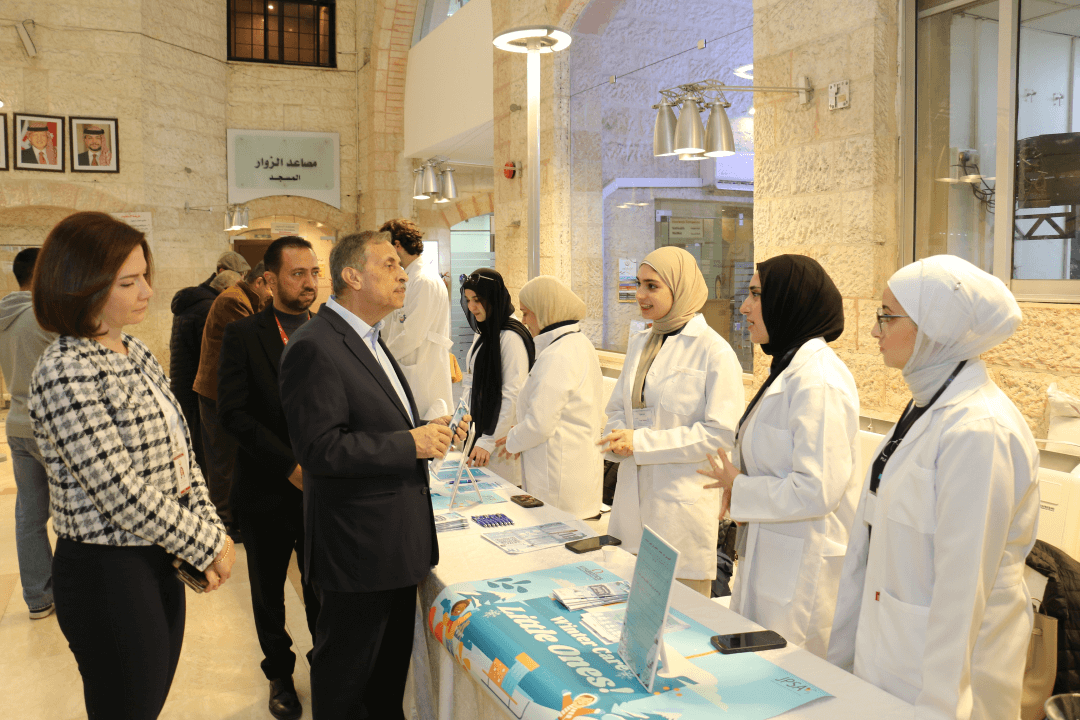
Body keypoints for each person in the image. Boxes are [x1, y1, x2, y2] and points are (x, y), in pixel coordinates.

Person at [27, 212, 235, 720]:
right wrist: (208, 543)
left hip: (157, 553)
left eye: (145, 275)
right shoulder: (65, 369)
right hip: (106, 569)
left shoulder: (135, 350)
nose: (147, 291)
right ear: (82, 286)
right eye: (128, 282)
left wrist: (209, 526)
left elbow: (181, 452)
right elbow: (118, 491)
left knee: (149, 698)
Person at [827, 255, 1040, 719]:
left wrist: (941, 707)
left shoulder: (980, 430)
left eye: (887, 316)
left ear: (933, 326)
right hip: (897, 644)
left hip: (951, 672)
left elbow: (963, 590)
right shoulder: (925, 406)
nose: (875, 330)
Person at [278, 230, 465, 720]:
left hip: (393, 546)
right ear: (352, 276)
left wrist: (426, 428)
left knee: (385, 687)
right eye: (389, 265)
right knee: (347, 685)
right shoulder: (316, 346)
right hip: (357, 550)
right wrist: (410, 443)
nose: (403, 274)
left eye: (400, 265)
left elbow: (376, 423)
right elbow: (320, 449)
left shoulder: (371, 339)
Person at [697, 255, 860, 656]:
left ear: (790, 301)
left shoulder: (818, 382)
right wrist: (741, 491)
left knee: (792, 674)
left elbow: (817, 491)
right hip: (773, 555)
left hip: (803, 571)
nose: (744, 307)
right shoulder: (788, 369)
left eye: (756, 294)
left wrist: (741, 487)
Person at [600, 246, 743, 596]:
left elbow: (720, 433)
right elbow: (618, 408)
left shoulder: (714, 351)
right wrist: (617, 437)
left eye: (652, 286)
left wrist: (641, 442)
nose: (640, 295)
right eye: (639, 284)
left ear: (680, 289)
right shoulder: (640, 343)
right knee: (627, 605)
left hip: (680, 511)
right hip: (631, 501)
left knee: (681, 614)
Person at [217, 237, 321, 720]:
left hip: (321, 487)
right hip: (266, 486)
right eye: (298, 274)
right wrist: (288, 465)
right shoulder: (244, 334)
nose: (309, 282)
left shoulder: (327, 330)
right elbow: (234, 414)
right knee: (268, 591)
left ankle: (325, 659)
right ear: (270, 280)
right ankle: (279, 673)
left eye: (314, 273)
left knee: (322, 583)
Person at [494, 275, 604, 519]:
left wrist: (513, 439)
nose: (524, 321)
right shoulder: (576, 343)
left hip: (559, 479)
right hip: (573, 471)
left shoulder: (558, 354)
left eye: (526, 313)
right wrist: (520, 432)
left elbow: (540, 425)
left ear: (544, 311)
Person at [0, 248, 58, 619]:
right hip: (51, 426)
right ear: (39, 273)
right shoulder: (45, 316)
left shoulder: (5, 315)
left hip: (17, 424)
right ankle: (75, 591)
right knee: (72, 512)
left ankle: (38, 598)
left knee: (29, 516)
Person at [193, 261, 270, 538]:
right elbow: (255, 339)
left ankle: (233, 517)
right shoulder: (233, 300)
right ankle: (221, 523)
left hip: (225, 391)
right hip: (216, 392)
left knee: (232, 459)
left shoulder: (245, 298)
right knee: (222, 461)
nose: (272, 294)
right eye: (271, 287)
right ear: (259, 282)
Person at [170, 251, 249, 472]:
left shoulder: (194, 300)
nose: (241, 283)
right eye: (240, 276)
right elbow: (215, 355)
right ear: (222, 272)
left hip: (184, 383)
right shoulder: (211, 306)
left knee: (196, 448)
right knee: (206, 455)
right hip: (199, 389)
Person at [460, 268, 535, 485]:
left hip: (498, 441)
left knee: (501, 493)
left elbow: (512, 393)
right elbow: (471, 382)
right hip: (480, 431)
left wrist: (489, 439)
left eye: (477, 300)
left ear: (492, 298)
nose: (472, 307)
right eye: (468, 300)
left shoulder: (511, 337)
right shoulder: (486, 330)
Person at [380, 218, 454, 418]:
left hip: (422, 375)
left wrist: (381, 358)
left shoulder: (424, 281)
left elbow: (412, 335)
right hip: (412, 369)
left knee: (427, 425)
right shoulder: (411, 278)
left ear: (397, 245)